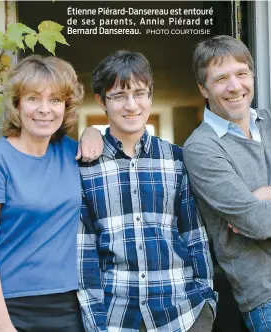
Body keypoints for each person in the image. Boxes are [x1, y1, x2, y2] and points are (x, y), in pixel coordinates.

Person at [183, 35, 271, 332]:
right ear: (203, 88)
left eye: (242, 74)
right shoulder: (202, 148)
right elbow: (255, 221)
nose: (235, 87)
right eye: (221, 79)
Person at [77, 50, 217, 332]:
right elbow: (84, 253)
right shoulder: (84, 168)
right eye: (119, 96)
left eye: (140, 93)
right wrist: (95, 323)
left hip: (182, 315)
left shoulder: (177, 159)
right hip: (116, 318)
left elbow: (195, 237)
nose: (131, 105)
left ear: (150, 96)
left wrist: (207, 304)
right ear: (101, 101)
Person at [0, 55, 87, 332]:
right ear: (17, 104)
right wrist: (1, 323)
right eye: (33, 98)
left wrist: (92, 134)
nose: (45, 109)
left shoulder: (74, 153)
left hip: (66, 306)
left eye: (55, 100)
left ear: (66, 107)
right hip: (2, 305)